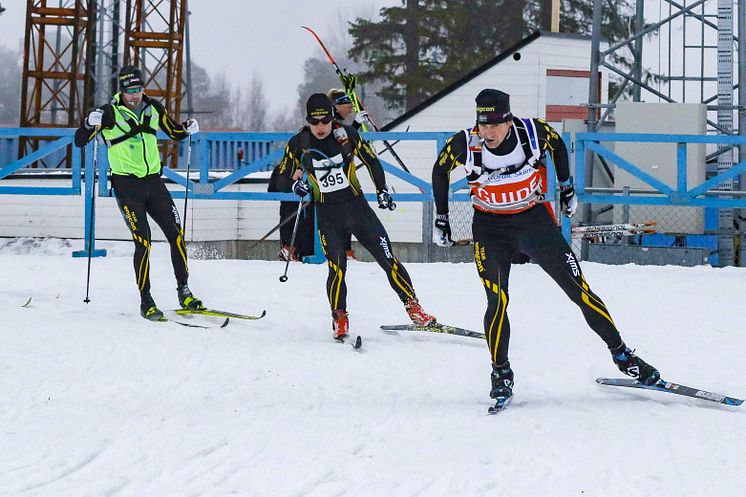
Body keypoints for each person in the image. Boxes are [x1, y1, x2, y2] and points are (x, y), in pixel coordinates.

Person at [431, 88, 659, 408]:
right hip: (491, 230)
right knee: (497, 300)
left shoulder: (532, 132)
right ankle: (501, 372)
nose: (488, 132)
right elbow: (439, 170)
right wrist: (441, 217)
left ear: (509, 121)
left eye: (495, 124)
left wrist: (566, 187)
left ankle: (623, 356)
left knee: (580, 291)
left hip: (534, 223)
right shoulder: (465, 143)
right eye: (483, 124)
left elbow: (559, 146)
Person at [277, 93, 436, 340]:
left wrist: (382, 191)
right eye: (315, 122)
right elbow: (283, 174)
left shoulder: (346, 135)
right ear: (308, 120)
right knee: (337, 269)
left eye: (325, 121)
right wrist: (295, 185)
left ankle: (414, 308)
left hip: (357, 209)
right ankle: (339, 318)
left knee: (387, 259)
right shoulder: (299, 142)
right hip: (328, 214)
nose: (320, 127)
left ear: (332, 117)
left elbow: (372, 162)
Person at [74, 65, 203, 321]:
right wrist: (89, 123)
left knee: (176, 234)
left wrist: (188, 128)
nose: (135, 95)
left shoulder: (153, 107)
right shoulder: (108, 113)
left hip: (154, 183)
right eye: (130, 91)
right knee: (143, 241)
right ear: (121, 91)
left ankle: (184, 291)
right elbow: (80, 140)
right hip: (127, 186)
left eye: (139, 90)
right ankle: (147, 300)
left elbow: (174, 131)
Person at [267, 164, 315, 261]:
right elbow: (272, 189)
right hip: (290, 218)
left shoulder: (315, 167)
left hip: (310, 219)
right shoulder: (283, 168)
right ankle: (289, 250)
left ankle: (290, 251)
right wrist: (291, 183)